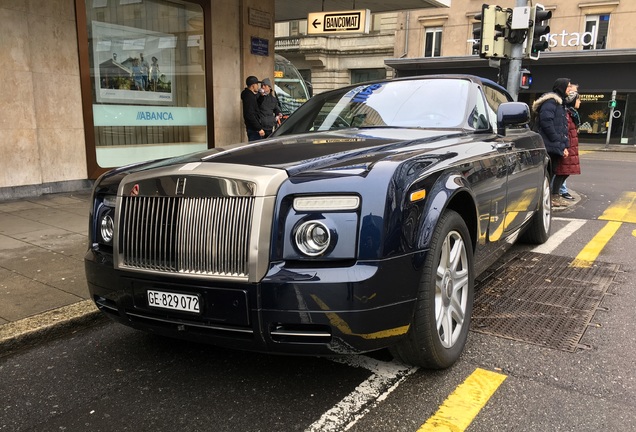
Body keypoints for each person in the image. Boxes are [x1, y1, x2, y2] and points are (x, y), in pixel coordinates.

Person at [532, 78, 572, 207]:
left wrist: (564, 145)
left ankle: (548, 198)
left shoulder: (559, 103)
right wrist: (557, 141)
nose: (570, 89)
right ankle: (544, 199)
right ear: (562, 87)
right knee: (546, 173)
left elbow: (562, 127)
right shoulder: (551, 103)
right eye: (568, 86)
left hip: (553, 145)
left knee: (551, 172)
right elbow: (546, 123)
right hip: (548, 145)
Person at [553, 90, 582, 201]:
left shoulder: (572, 114)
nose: (580, 102)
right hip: (567, 146)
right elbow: (564, 131)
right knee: (562, 172)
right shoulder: (567, 114)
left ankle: (556, 194)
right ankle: (555, 195)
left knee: (565, 172)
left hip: (571, 146)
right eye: (578, 100)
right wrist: (564, 147)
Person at [241, 76, 265, 141]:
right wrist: (258, 128)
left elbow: (256, 106)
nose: (258, 86)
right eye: (257, 84)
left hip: (253, 128)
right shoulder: (249, 96)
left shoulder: (251, 95)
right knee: (256, 149)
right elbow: (249, 114)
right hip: (253, 129)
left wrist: (261, 97)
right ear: (253, 85)